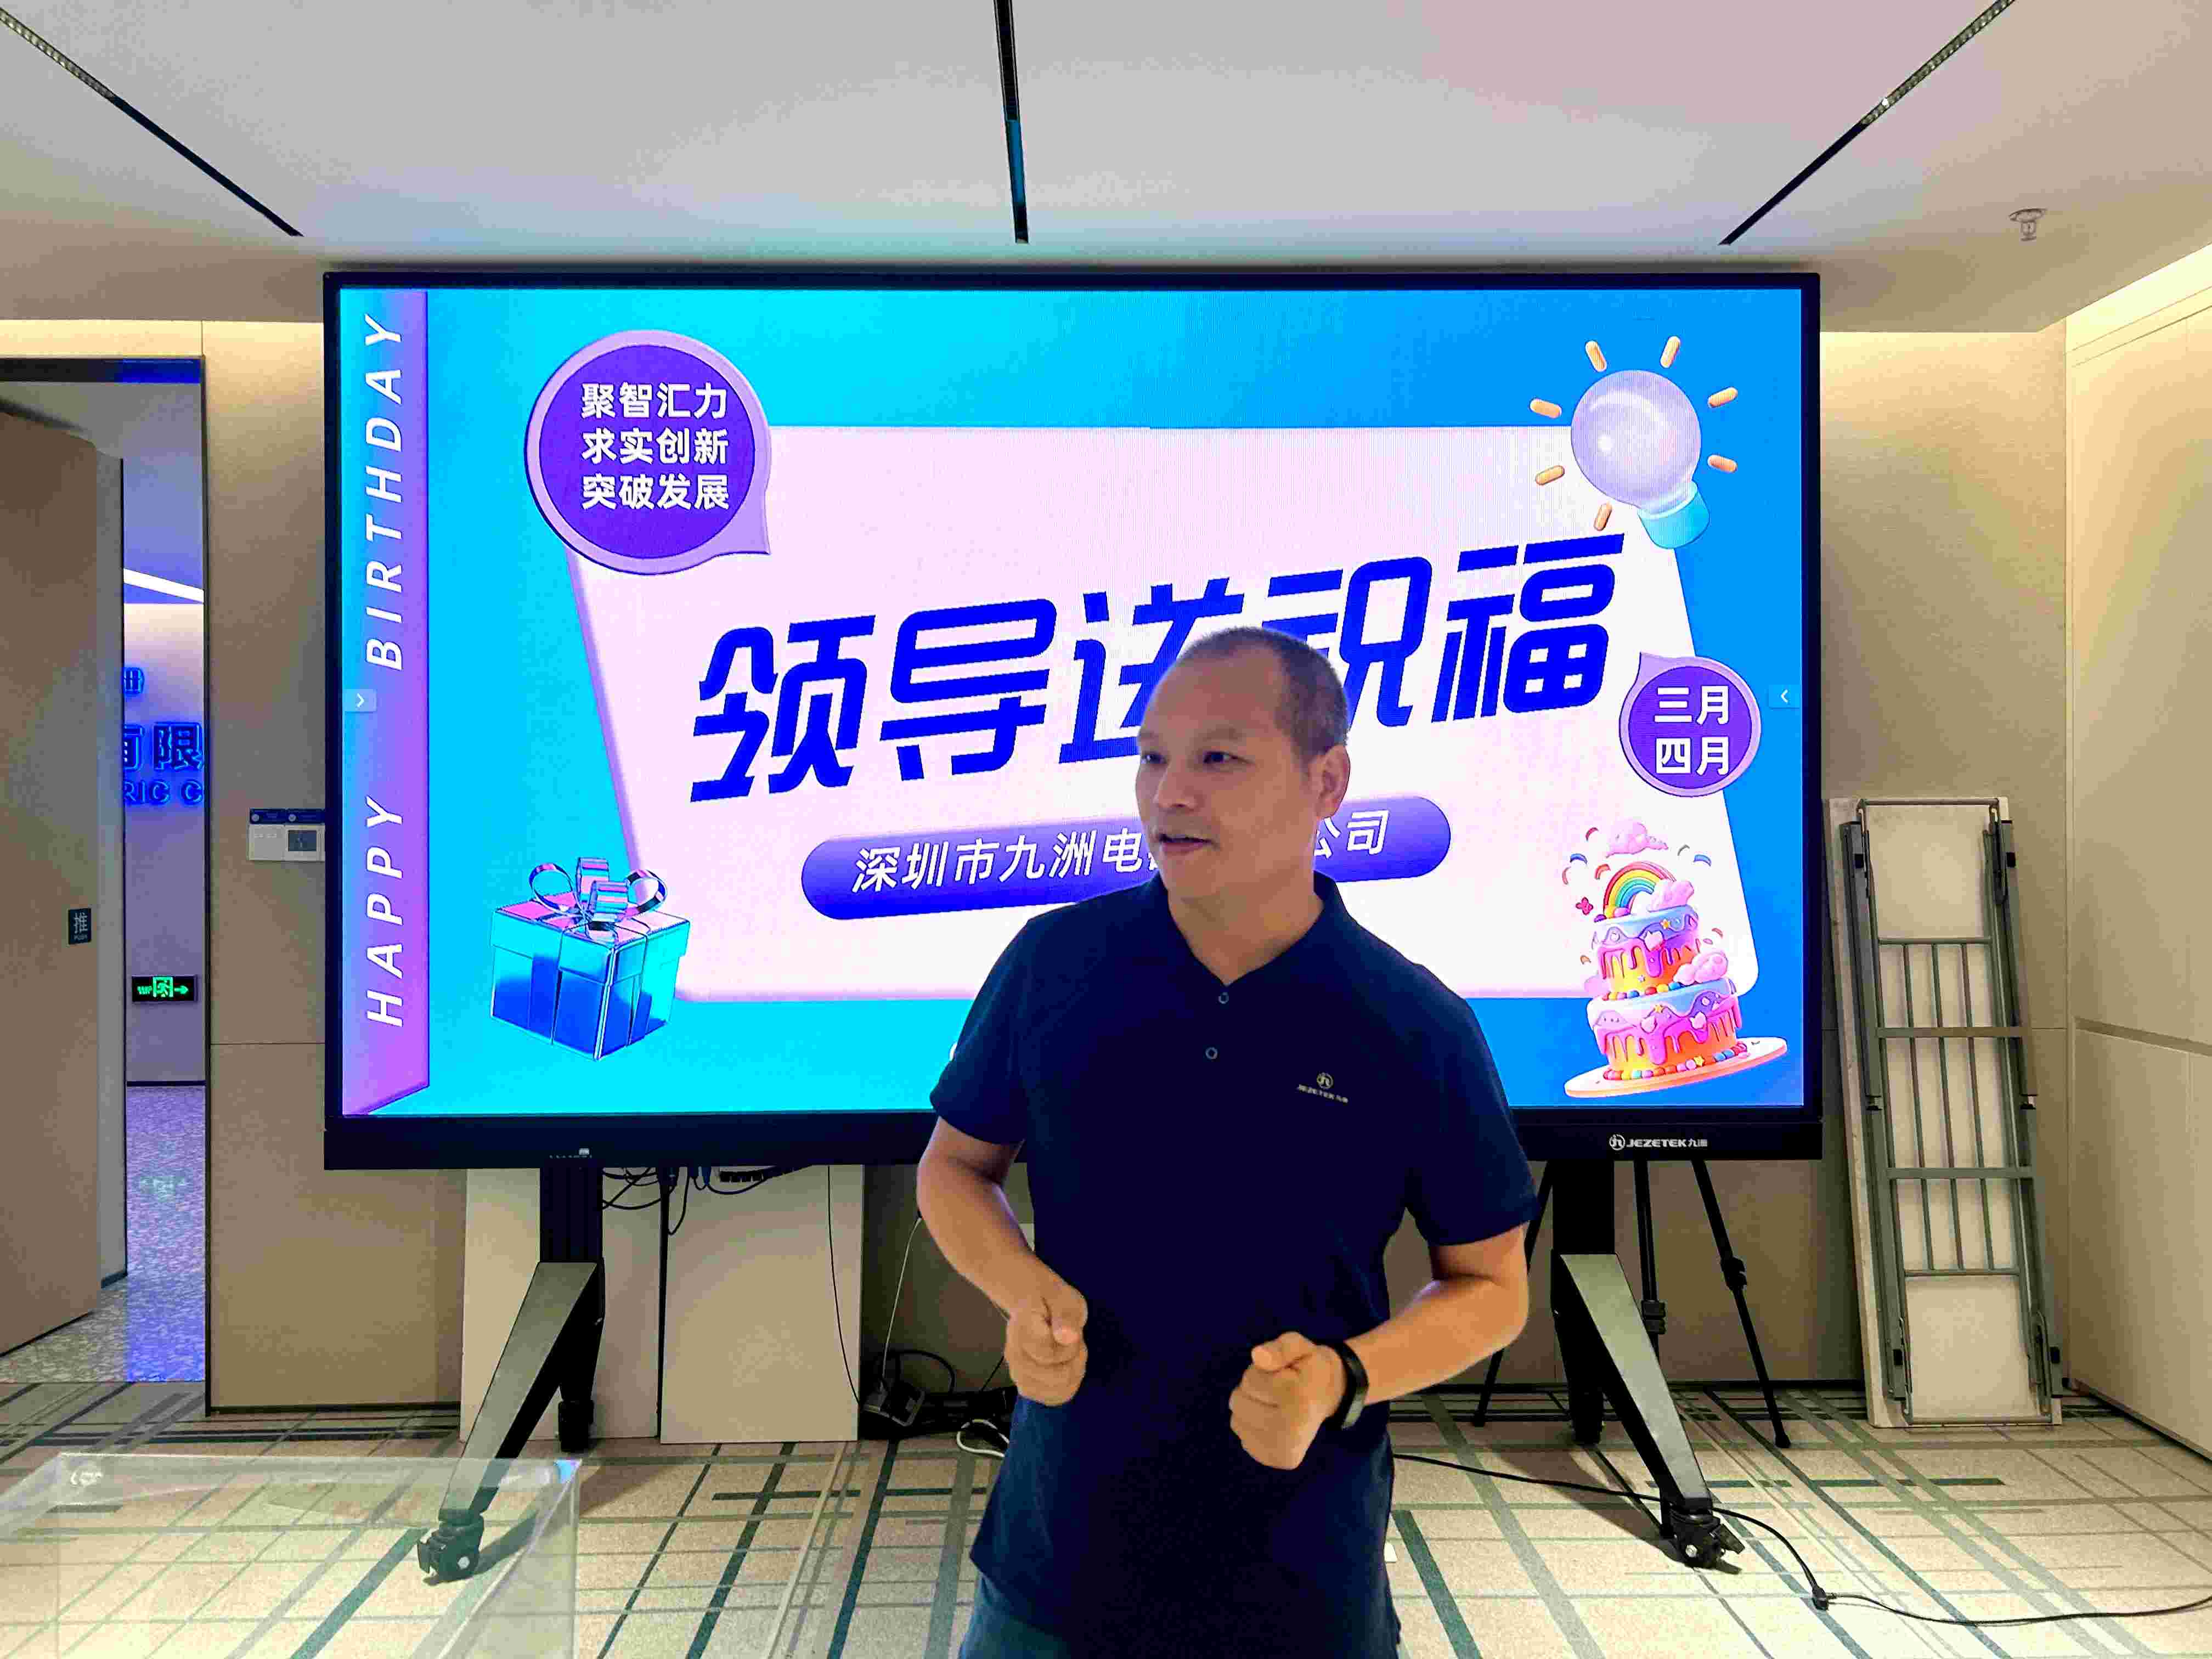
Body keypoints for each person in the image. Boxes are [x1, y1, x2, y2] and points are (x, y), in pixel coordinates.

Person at [919, 627, 1538, 1659]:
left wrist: (1342, 1376)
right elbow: (954, 1167)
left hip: (1299, 1571)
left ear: (1327, 781)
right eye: (1152, 757)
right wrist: (1020, 1290)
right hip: (1057, 1555)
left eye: (1219, 758)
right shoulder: (1056, 962)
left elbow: (1492, 1287)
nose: (1169, 794)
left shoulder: (1412, 1021)